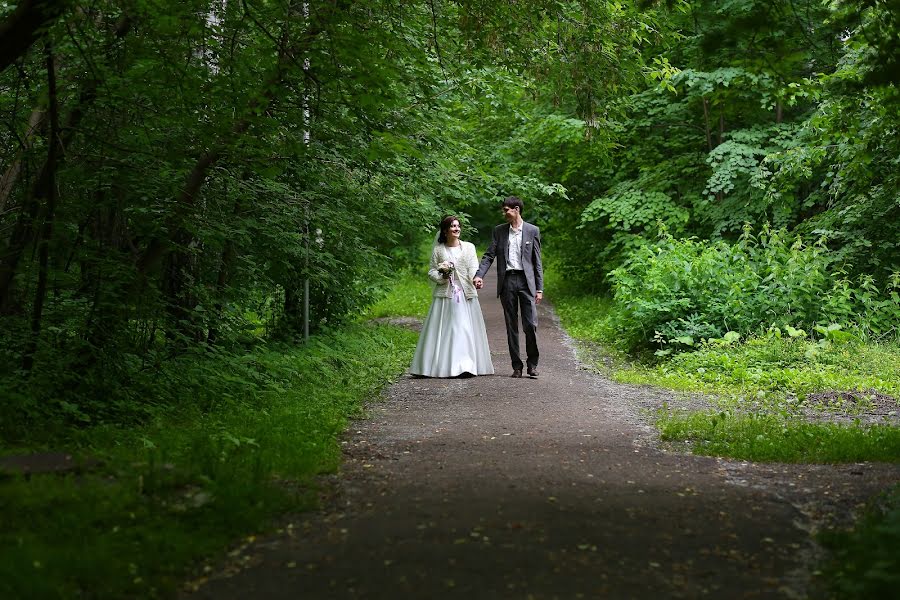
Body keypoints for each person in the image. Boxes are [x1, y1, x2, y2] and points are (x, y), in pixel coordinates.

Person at [409, 216, 494, 378]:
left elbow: (473, 267)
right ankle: (437, 366)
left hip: (464, 294)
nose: (457, 229)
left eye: (458, 226)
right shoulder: (438, 250)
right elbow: (432, 271)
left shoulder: (469, 247)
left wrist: (476, 279)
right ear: (445, 230)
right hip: (446, 295)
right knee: (445, 328)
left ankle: (465, 365)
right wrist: (442, 275)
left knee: (463, 327)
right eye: (453, 226)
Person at [473, 196, 543, 378]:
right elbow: (489, 255)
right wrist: (479, 274)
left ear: (517, 209)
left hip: (527, 282)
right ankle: (517, 366)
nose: (504, 213)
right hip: (508, 282)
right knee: (511, 325)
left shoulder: (532, 231)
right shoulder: (499, 232)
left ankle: (532, 364)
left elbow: (537, 262)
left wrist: (539, 288)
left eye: (506, 210)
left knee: (530, 325)